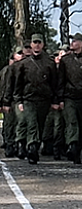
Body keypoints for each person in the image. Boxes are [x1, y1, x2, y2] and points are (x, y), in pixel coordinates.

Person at [12, 33, 59, 164]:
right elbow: (18, 84)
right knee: (32, 124)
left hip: (44, 99)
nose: (37, 45)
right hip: (28, 99)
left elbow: (54, 83)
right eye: (35, 43)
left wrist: (55, 100)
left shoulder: (49, 63)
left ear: (43, 45)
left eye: (39, 42)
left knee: (40, 124)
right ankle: (32, 148)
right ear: (31, 45)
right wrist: (19, 100)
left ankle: (35, 146)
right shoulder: (24, 64)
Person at [57, 33, 82, 164]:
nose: (72, 43)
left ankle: (77, 150)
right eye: (72, 40)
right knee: (71, 121)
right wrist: (60, 99)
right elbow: (60, 80)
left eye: (75, 41)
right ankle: (72, 145)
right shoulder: (65, 60)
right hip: (69, 96)